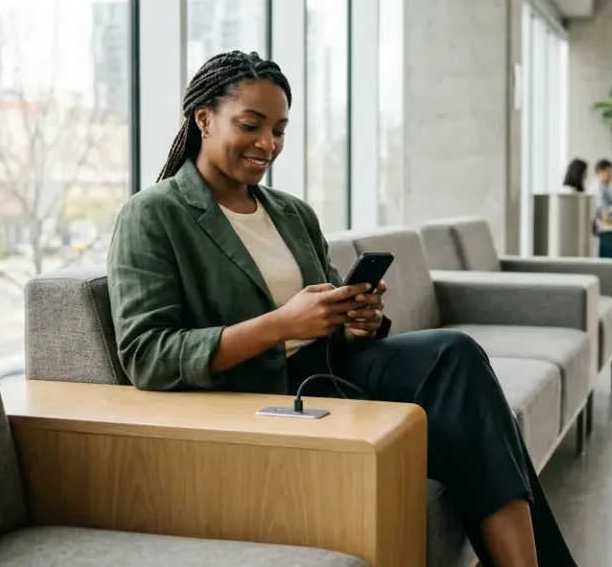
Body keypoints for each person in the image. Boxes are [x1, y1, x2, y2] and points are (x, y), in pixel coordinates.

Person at [107, 51, 576, 567]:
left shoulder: (292, 214)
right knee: (467, 400)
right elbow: (146, 354)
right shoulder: (153, 214)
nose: (268, 144)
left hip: (330, 367)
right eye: (251, 125)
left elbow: (326, 311)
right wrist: (279, 325)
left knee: (459, 364)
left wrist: (356, 322)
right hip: (257, 390)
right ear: (204, 118)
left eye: (280, 130)